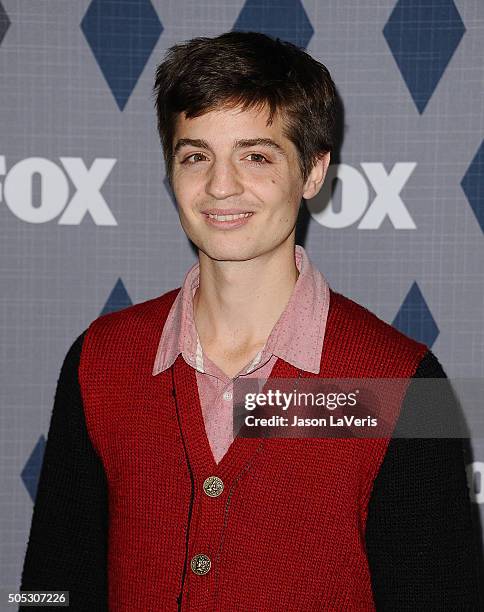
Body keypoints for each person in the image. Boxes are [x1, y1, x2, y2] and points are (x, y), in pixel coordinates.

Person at [19, 31, 482, 611]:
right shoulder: (101, 360)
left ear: (313, 172)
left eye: (256, 156)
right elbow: (49, 586)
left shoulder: (401, 382)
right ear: (171, 171)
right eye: (196, 156)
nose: (220, 186)